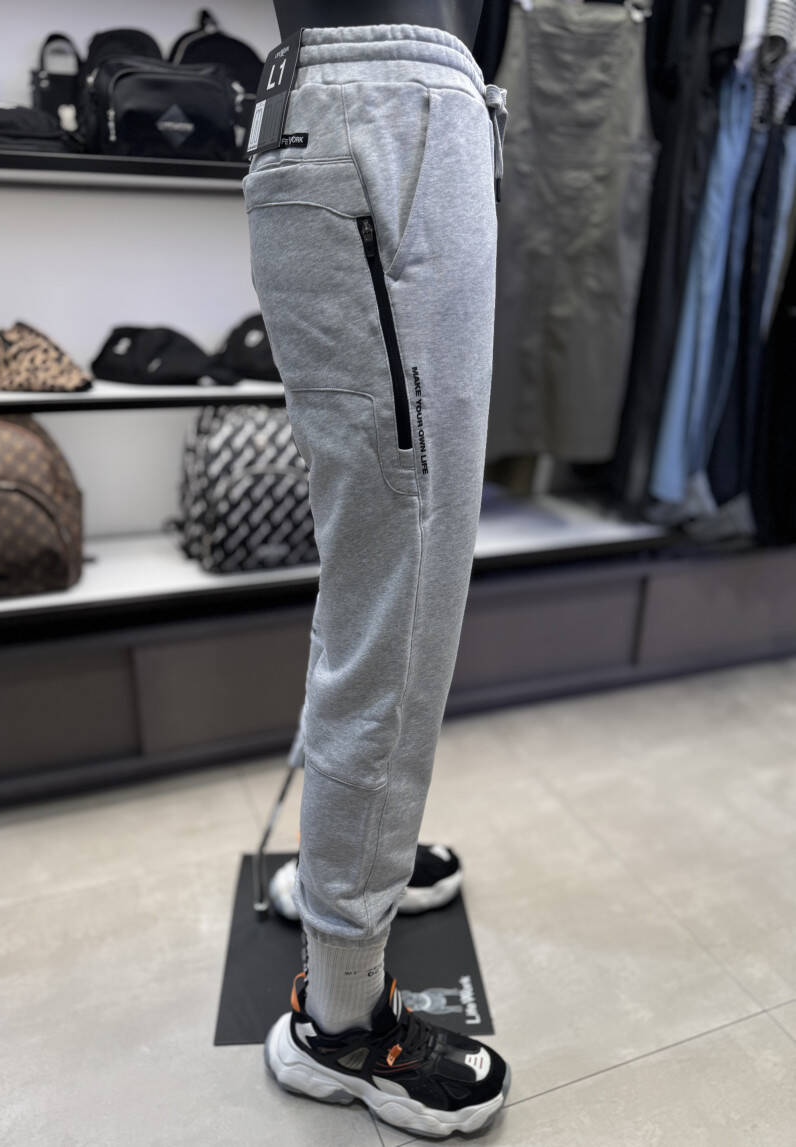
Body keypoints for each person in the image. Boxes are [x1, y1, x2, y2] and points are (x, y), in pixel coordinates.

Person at [242, 2, 510, 1137]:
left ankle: (334, 877)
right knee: (402, 581)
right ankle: (343, 1019)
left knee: (379, 569)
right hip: (385, 113)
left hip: (380, 107)